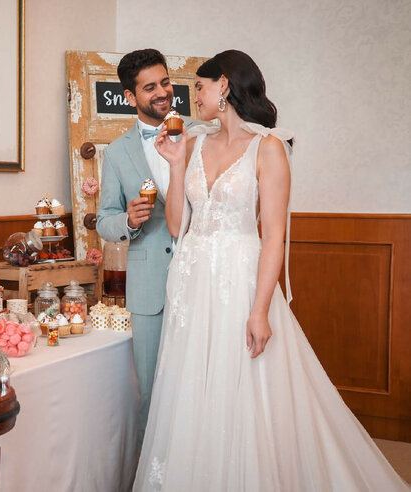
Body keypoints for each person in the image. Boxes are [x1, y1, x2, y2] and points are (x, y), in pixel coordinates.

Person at [133, 50, 409, 491]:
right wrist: (176, 163)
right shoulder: (194, 142)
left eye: (199, 86)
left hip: (238, 279)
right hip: (192, 279)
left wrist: (260, 310)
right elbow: (175, 225)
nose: (193, 96)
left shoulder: (269, 148)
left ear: (223, 86)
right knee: (191, 388)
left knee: (241, 385)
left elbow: (274, 235)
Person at [96, 49, 199, 451]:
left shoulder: (201, 134)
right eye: (150, 87)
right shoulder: (117, 152)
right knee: (152, 393)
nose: (163, 93)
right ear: (129, 96)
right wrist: (129, 220)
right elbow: (105, 218)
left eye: (166, 82)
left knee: (201, 385)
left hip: (201, 272)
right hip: (148, 288)